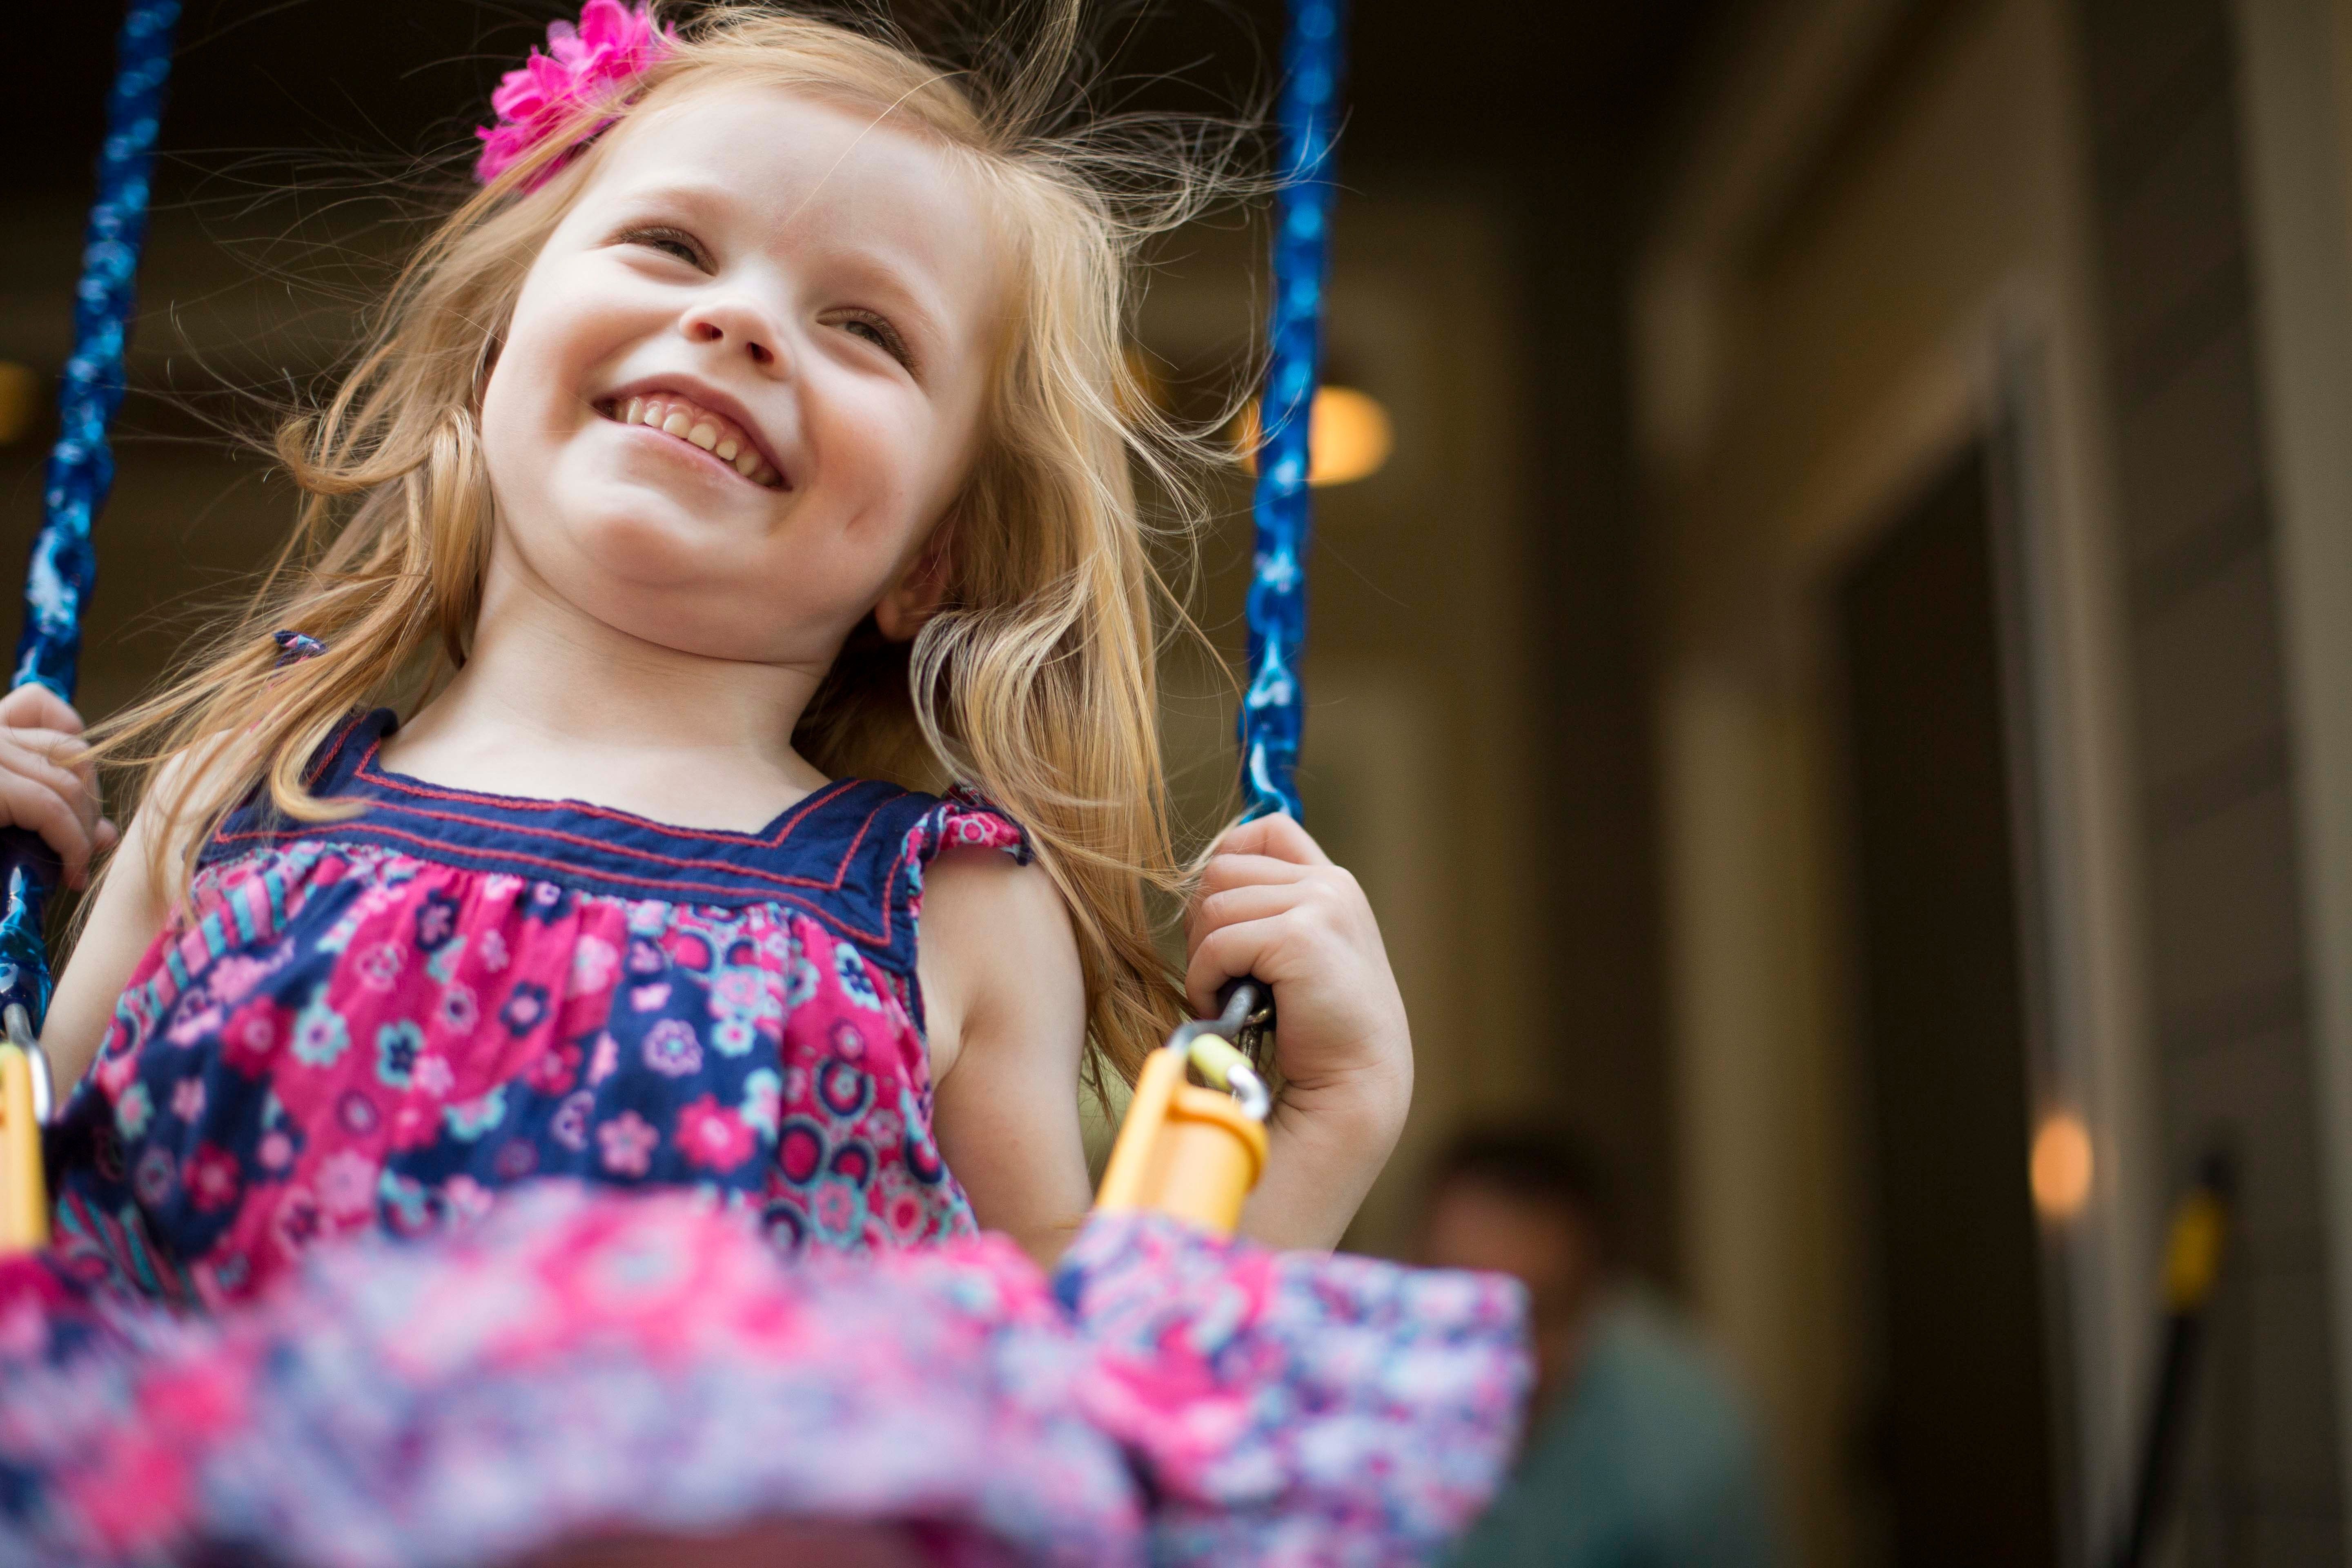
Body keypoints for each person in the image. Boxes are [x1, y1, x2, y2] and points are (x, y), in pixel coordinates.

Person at [0, 6, 1526, 1562]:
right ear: (497, 339)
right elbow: (27, 1284)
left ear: (927, 551)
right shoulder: (238, 798)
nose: (740, 323)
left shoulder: (939, 907)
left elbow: (1083, 1419)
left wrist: (1325, 1121)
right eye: (670, 243)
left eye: (866, 329)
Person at [1423, 1128, 1778, 1568]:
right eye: (1463, 1303)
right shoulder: (1339, 1398)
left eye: (1539, 1314)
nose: (1495, 1356)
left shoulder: (1685, 1434)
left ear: (1597, 1305)